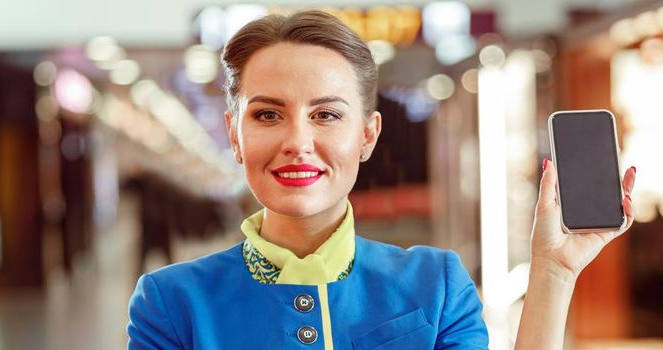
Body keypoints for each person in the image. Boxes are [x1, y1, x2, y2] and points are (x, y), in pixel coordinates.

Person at [127, 10, 637, 349]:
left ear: (368, 136)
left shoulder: (437, 285)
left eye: (326, 115)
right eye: (267, 115)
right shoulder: (172, 304)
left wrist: (554, 272)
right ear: (234, 136)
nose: (297, 141)